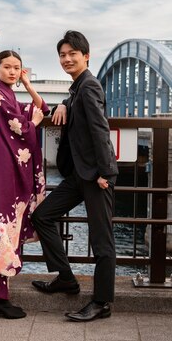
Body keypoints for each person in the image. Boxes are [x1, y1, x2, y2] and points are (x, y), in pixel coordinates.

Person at [31, 30, 118, 322]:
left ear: (86, 56)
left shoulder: (89, 86)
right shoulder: (77, 88)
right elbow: (77, 106)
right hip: (80, 174)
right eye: (63, 55)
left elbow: (100, 130)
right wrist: (64, 104)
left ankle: (102, 302)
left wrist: (106, 172)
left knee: (102, 241)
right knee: (42, 216)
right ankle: (66, 278)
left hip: (96, 176)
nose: (67, 59)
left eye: (73, 54)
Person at [0, 50, 48, 319]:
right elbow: (22, 127)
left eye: (17, 68)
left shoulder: (9, 95)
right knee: (2, 228)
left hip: (6, 169)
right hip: (3, 170)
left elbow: (41, 108)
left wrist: (28, 85)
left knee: (3, 228)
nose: (13, 72)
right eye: (7, 67)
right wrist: (33, 125)